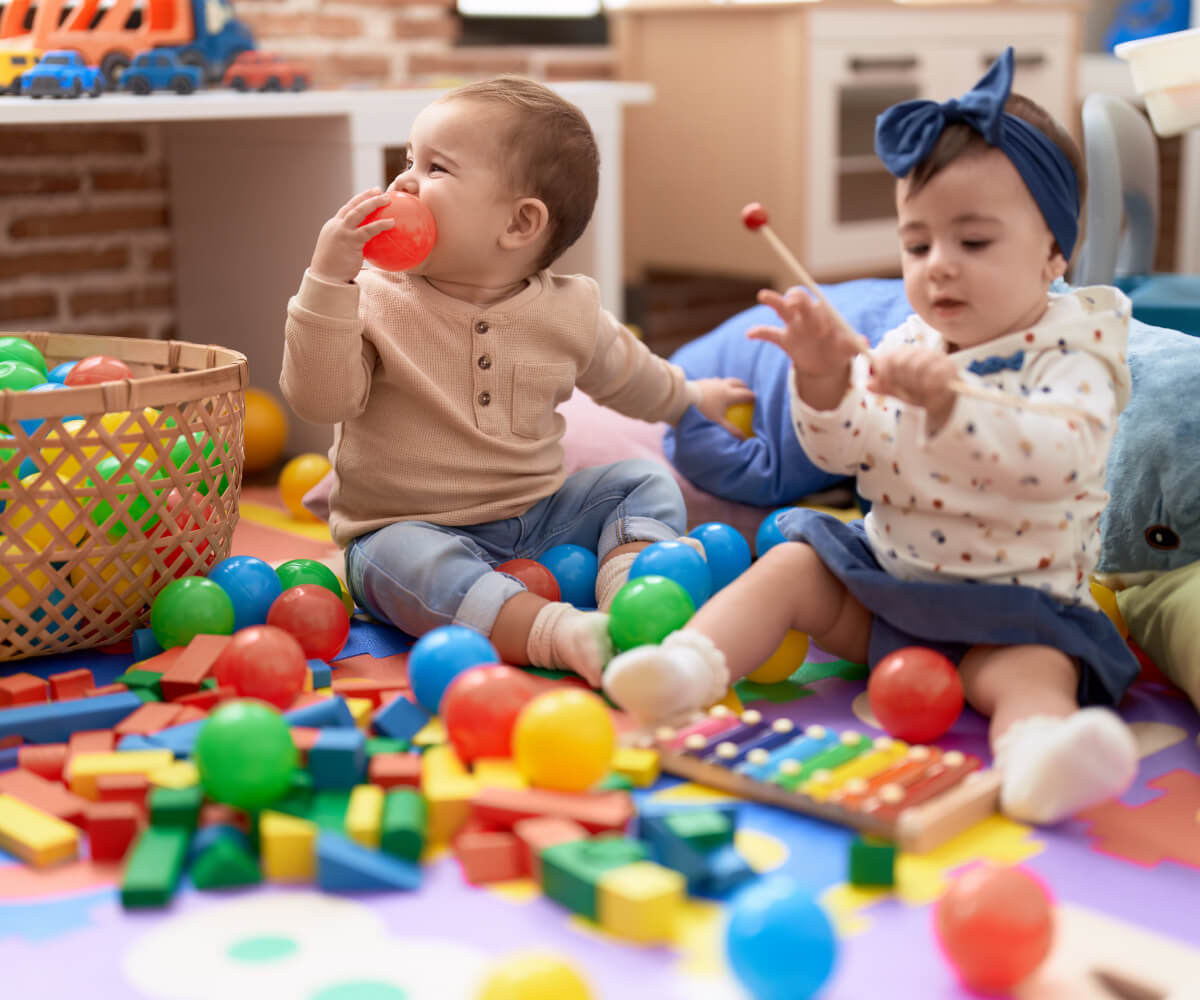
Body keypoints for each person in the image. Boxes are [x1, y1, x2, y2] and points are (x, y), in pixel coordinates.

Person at [602, 49, 1141, 825]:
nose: (939, 268)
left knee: (1036, 674)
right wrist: (822, 381)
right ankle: (687, 666)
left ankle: (1037, 763)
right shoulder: (911, 339)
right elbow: (842, 451)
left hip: (1012, 611)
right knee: (790, 563)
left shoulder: (1078, 353)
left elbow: (1060, 459)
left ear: (1055, 250)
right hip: (888, 587)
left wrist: (955, 409)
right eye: (918, 245)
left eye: (974, 243)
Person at [279, 76, 752, 688]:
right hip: (410, 527)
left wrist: (691, 397)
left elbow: (629, 376)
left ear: (520, 224)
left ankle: (632, 602)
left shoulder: (570, 310)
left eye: (436, 168)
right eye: (407, 161)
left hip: (538, 521)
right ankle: (561, 634)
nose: (403, 183)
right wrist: (327, 284)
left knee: (642, 479)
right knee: (388, 559)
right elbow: (321, 400)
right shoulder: (369, 298)